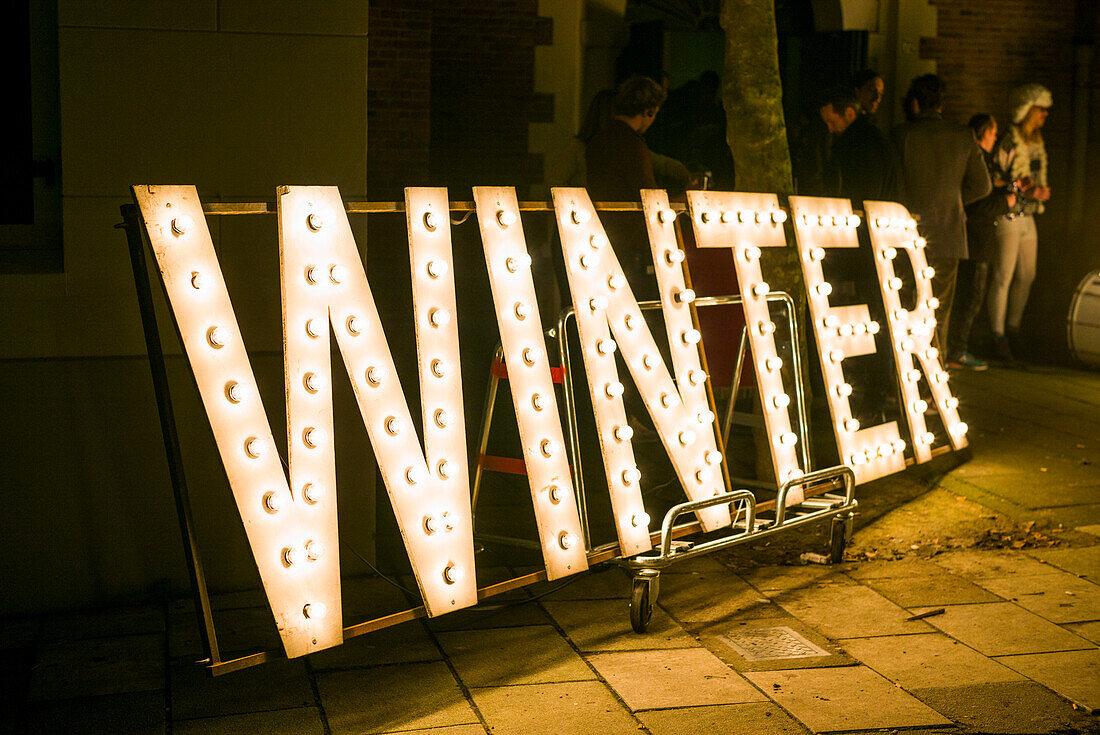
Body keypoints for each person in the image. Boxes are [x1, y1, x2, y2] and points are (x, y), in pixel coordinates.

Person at [892, 74, 992, 356]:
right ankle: (935, 376)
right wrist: (956, 201)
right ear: (941, 103)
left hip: (907, 232)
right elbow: (982, 185)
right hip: (949, 233)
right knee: (940, 309)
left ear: (914, 103)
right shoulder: (963, 136)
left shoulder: (901, 135)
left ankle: (906, 374)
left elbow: (894, 187)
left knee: (906, 304)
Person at [986, 83, 1053, 362]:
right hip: (1010, 214)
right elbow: (993, 176)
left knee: (1027, 274)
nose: (1045, 115)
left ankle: (1013, 327)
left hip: (1029, 215)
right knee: (1004, 275)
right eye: (1041, 110)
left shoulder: (1036, 142)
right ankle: (997, 335)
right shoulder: (1009, 141)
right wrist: (1023, 189)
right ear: (1028, 110)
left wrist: (1039, 192)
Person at [585, 75, 667, 294]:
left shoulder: (599, 139)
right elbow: (647, 194)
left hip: (599, 233)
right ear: (648, 110)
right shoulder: (632, 144)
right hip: (630, 240)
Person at [947, 114, 1017, 370]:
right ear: (981, 133)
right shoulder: (975, 162)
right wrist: (1005, 203)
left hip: (980, 240)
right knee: (971, 296)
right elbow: (975, 203)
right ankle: (957, 349)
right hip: (975, 241)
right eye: (993, 132)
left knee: (972, 295)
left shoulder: (981, 162)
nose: (996, 137)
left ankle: (957, 348)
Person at [819, 86, 902, 205]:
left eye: (832, 122)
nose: (830, 129)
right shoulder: (872, 138)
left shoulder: (861, 145)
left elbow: (866, 189)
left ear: (850, 114)